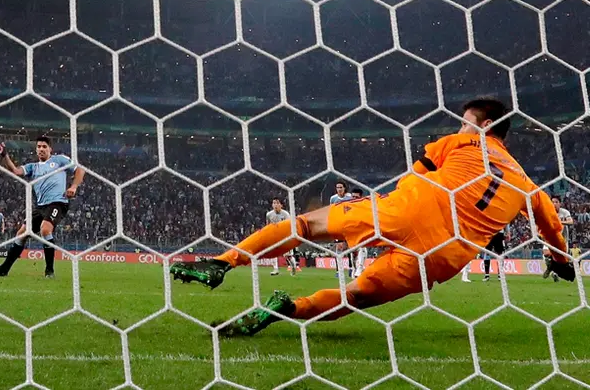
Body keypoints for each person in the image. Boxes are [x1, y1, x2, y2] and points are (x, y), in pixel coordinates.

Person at [170, 98, 574, 337]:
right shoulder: (528, 186)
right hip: (445, 255)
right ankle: (284, 309)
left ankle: (222, 262)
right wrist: (561, 261)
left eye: (465, 121)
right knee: (357, 295)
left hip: (407, 210)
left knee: (308, 225)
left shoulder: (462, 142)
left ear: (485, 125)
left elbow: (417, 173)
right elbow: (552, 230)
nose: (460, 126)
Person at [0, 136, 85, 279]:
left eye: (44, 146)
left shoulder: (60, 160)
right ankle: (4, 269)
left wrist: (74, 186)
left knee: (45, 229)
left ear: (50, 149)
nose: (41, 149)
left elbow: (80, 170)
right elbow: (15, 171)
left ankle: (49, 271)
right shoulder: (33, 167)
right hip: (41, 206)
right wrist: (4, 154)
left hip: (58, 202)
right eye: (39, 147)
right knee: (22, 233)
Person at [266, 198, 299, 276]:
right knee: (273, 252)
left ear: (281, 205)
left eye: (277, 203)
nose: (275, 205)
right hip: (275, 236)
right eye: (274, 203)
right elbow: (268, 226)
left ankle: (293, 267)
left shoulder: (286, 214)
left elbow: (289, 225)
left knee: (288, 256)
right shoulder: (269, 214)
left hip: (285, 236)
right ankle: (275, 269)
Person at [545, 196, 574, 282]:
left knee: (562, 260)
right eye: (552, 202)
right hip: (551, 239)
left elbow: (571, 222)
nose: (554, 204)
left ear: (560, 203)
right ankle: (550, 268)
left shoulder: (564, 212)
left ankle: (555, 273)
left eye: (556, 202)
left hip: (563, 240)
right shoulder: (548, 212)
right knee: (546, 253)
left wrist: (560, 222)